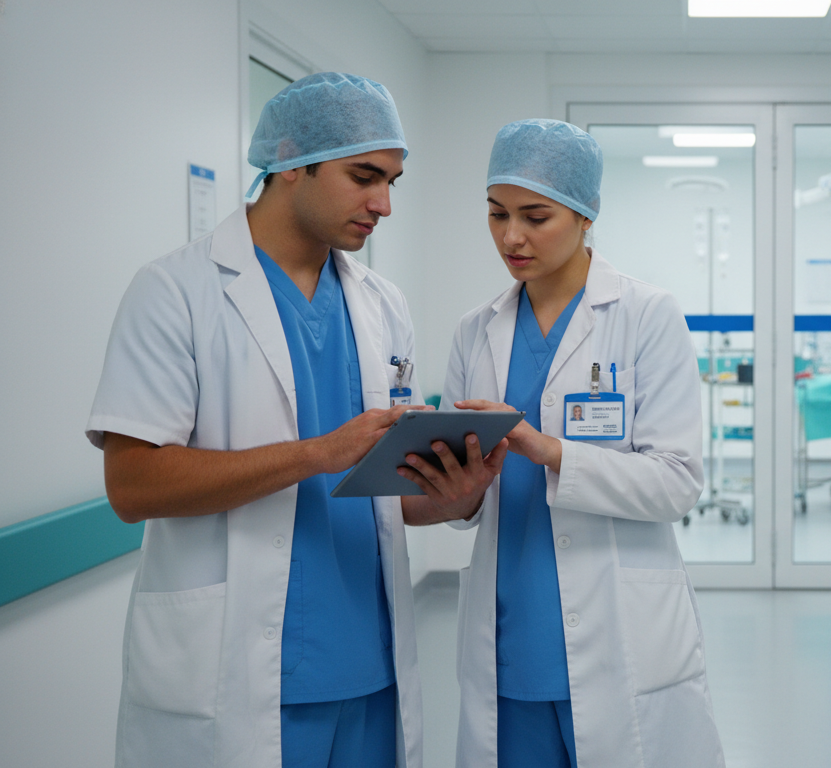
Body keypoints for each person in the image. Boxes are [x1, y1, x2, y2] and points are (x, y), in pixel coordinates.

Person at [86, 72, 459, 768]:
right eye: (364, 176)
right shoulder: (175, 293)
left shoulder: (383, 304)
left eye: (392, 182)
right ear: (293, 164)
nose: (383, 204)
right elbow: (132, 486)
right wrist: (315, 454)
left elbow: (388, 496)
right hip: (237, 676)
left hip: (371, 669)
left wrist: (451, 491)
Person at [398, 119, 724, 768]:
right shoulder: (475, 330)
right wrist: (452, 490)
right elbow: (469, 505)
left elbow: (676, 483)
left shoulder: (646, 315)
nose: (511, 236)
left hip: (620, 626)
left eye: (535, 216)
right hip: (509, 625)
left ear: (585, 215)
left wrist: (546, 449)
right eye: (496, 215)